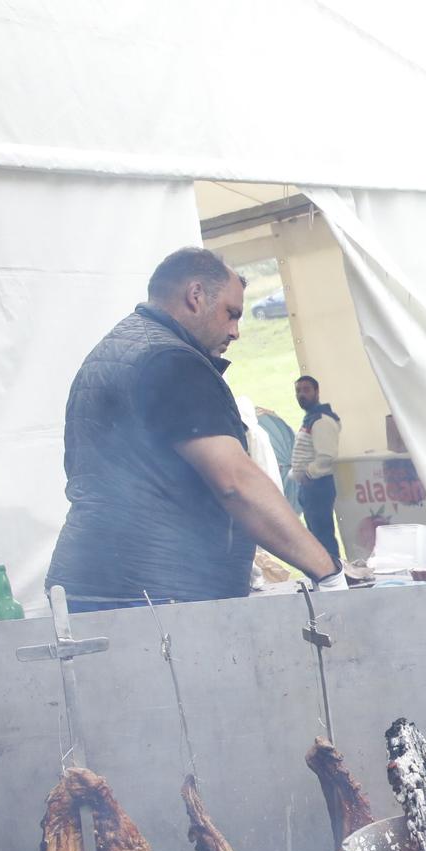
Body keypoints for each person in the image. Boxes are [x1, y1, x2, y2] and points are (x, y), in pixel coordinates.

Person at [46, 247, 344, 610]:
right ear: (196, 295)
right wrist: (327, 572)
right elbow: (236, 484)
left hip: (93, 581)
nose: (235, 332)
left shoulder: (114, 349)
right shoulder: (169, 361)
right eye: (231, 314)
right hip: (154, 595)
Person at [289, 375, 342, 563]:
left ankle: (333, 574)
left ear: (317, 392)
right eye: (298, 391)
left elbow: (327, 456)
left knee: (322, 536)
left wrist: (308, 474)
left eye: (306, 390)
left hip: (319, 485)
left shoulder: (322, 420)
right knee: (316, 536)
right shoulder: (311, 419)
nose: (301, 395)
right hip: (310, 486)